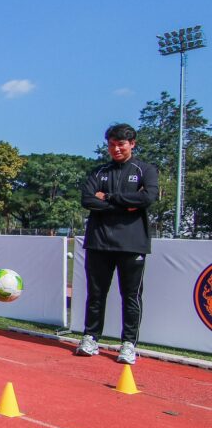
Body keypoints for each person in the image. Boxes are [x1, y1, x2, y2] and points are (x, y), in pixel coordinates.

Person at [76, 123, 158, 365]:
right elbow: (87, 200)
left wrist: (110, 197)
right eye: (111, 145)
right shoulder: (99, 172)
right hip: (99, 242)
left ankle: (129, 344)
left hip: (132, 244)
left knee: (131, 296)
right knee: (96, 294)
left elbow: (147, 197)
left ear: (132, 144)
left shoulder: (145, 170)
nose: (116, 149)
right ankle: (90, 338)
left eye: (121, 144)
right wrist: (126, 204)